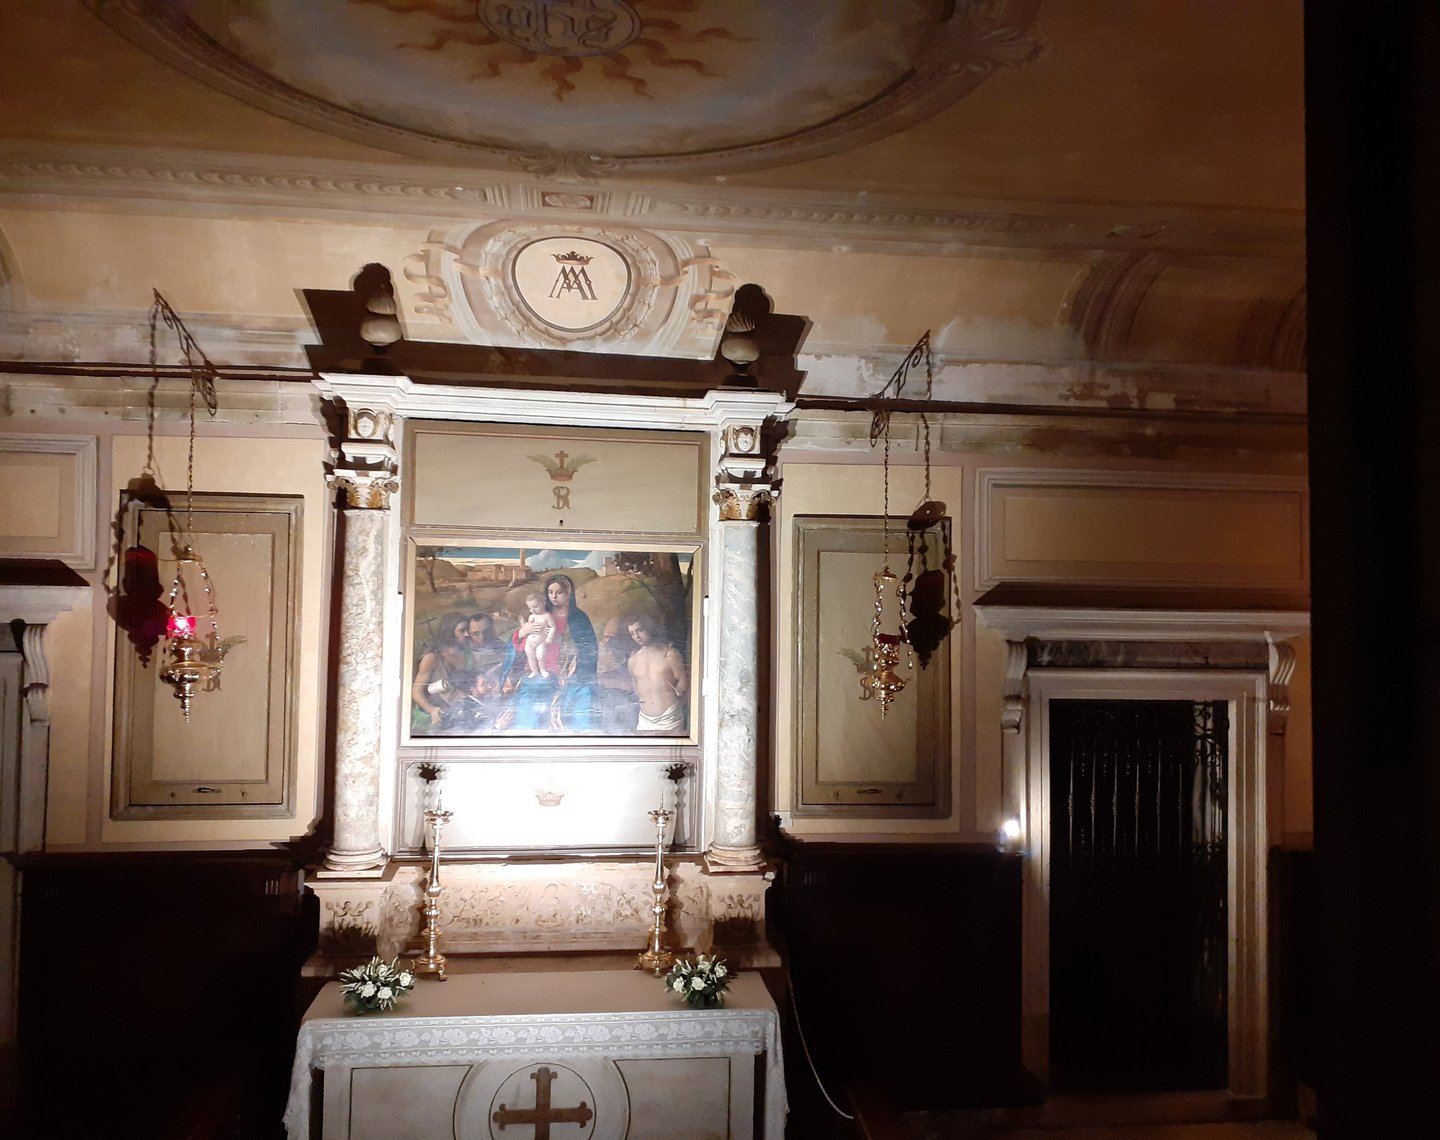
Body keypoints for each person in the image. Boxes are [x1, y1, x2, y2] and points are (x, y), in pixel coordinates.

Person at [503, 573, 598, 732]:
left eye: (559, 592)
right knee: (531, 694)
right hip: (541, 671)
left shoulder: (578, 618)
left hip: (571, 674)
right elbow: (518, 645)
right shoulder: (538, 615)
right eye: (550, 592)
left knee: (584, 695)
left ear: (568, 594)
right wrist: (522, 632)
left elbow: (588, 649)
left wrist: (570, 668)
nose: (554, 596)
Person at [410, 611, 475, 733]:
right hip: (435, 719)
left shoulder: (467, 655)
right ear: (450, 632)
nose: (467, 634)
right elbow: (416, 692)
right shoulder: (431, 658)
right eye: (462, 631)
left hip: (459, 713)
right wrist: (432, 710)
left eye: (468, 630)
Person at [626, 613, 689, 733]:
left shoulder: (669, 654)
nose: (636, 636)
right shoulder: (633, 660)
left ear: (649, 627)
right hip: (645, 719)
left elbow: (683, 682)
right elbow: (636, 688)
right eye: (632, 633)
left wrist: (673, 697)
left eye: (640, 630)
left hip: (669, 717)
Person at [515, 591, 557, 679]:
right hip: (529, 642)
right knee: (530, 657)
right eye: (530, 608)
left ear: (543, 603)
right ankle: (534, 671)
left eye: (535, 606)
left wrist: (549, 637)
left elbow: (553, 627)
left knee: (540, 656)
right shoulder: (531, 616)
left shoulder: (547, 616)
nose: (532, 610)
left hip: (540, 642)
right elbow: (528, 628)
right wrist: (523, 624)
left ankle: (543, 670)